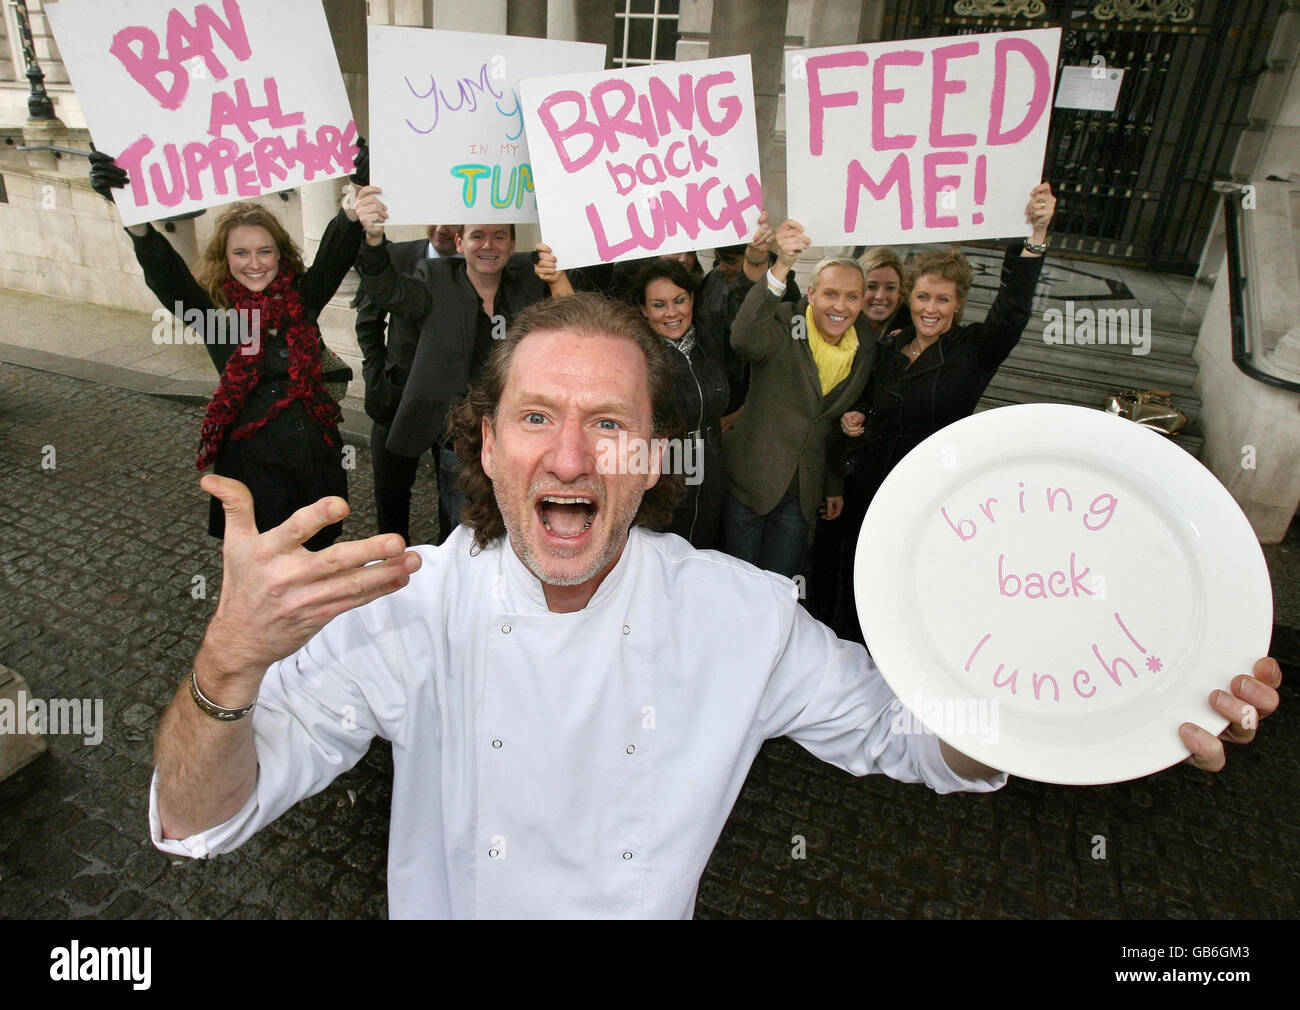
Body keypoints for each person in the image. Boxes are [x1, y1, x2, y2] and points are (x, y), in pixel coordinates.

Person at [147, 291, 1280, 919]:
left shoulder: (743, 615)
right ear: (484, 446)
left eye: (610, 423)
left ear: (653, 459)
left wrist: (1125, 697)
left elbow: (916, 737)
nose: (573, 451)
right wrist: (226, 669)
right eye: (536, 417)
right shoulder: (407, 607)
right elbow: (196, 821)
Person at [88, 149, 368, 550]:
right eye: (241, 252)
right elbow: (168, 278)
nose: (254, 263)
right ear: (225, 258)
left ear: (279, 254)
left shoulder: (302, 299)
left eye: (264, 250)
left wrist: (355, 191)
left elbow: (334, 255)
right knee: (262, 565)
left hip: (313, 458)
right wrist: (131, 214)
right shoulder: (214, 315)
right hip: (253, 467)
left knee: (318, 558)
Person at [835, 184, 1056, 640]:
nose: (929, 309)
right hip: (868, 484)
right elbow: (866, 400)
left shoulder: (973, 351)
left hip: (927, 491)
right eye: (922, 298)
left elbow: (1012, 310)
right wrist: (855, 416)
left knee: (899, 585)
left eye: (941, 300)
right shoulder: (890, 346)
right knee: (851, 573)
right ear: (909, 300)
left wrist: (1034, 237)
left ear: (957, 305)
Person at [350, 189, 569, 543]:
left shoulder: (528, 280)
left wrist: (557, 276)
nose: (488, 245)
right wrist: (374, 240)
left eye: (499, 237)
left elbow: (574, 323)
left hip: (516, 436)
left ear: (513, 246)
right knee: (463, 527)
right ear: (460, 241)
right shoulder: (436, 279)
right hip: (460, 439)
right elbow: (389, 292)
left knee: (515, 523)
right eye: (477, 235)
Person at [721, 219, 876, 578]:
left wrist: (833, 485)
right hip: (750, 483)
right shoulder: (785, 323)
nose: (840, 306)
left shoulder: (866, 346)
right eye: (831, 294)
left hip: (803, 495)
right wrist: (782, 264)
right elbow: (742, 338)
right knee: (737, 586)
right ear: (811, 292)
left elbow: (830, 425)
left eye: (852, 296)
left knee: (780, 590)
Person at [807, 247, 907, 627]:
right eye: (873, 287)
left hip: (873, 474)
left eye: (891, 288)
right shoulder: (828, 331)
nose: (880, 296)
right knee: (824, 559)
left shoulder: (902, 341)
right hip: (830, 468)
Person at [354, 224, 460, 543]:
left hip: (454, 407)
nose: (441, 228)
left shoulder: (481, 262)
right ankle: (390, 568)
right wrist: (377, 378)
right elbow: (368, 323)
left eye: (452, 220)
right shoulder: (395, 257)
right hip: (396, 400)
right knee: (391, 496)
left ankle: (447, 571)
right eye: (435, 217)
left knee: (455, 502)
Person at [628, 259, 729, 548]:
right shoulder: (639, 356)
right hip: (664, 478)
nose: (671, 313)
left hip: (712, 472)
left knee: (703, 554)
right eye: (659, 305)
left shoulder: (709, 340)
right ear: (644, 310)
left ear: (692, 300)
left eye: (679, 300)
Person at [696, 239, 801, 430]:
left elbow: (791, 355)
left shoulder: (788, 292)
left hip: (756, 408)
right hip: (713, 398)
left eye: (731, 261)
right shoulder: (712, 280)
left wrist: (746, 409)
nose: (721, 268)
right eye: (719, 260)